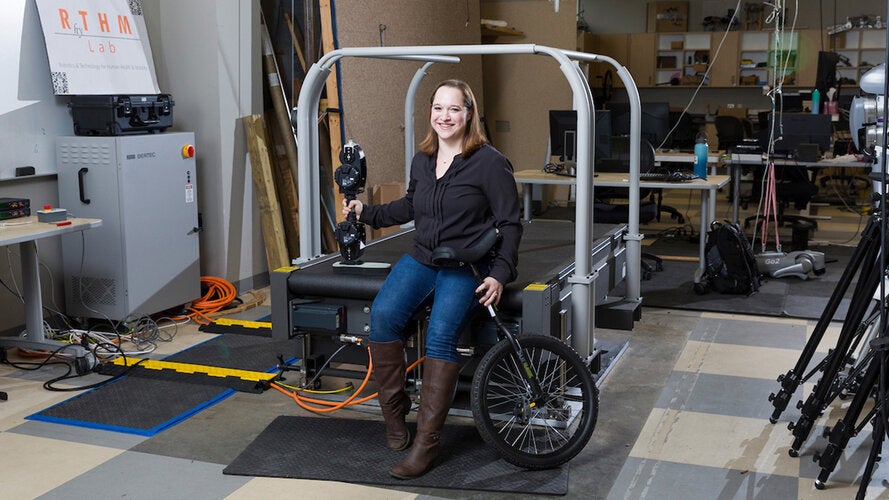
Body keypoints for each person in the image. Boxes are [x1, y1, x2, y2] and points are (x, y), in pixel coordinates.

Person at [342, 79, 522, 479]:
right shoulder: (423, 159)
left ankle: (426, 445)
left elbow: (510, 224)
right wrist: (366, 212)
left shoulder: (490, 163)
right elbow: (410, 206)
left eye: (454, 109)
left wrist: (499, 274)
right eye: (438, 108)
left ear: (469, 114)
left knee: (441, 336)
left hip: (467, 265)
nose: (445, 116)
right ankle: (395, 415)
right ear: (430, 113)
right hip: (424, 257)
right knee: (383, 318)